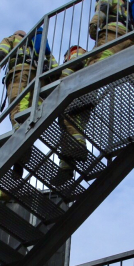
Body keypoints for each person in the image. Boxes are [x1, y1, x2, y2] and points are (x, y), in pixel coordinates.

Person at [0, 29, 59, 129]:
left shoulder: (12, 39)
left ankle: (19, 129)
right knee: (36, 105)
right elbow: (52, 62)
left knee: (19, 102)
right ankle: (35, 128)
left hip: (20, 72)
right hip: (39, 77)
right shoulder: (36, 43)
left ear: (16, 34)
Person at [56, 46, 90, 182]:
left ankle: (79, 147)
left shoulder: (76, 52)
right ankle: (65, 168)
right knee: (65, 133)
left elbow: (73, 66)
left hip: (77, 95)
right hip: (74, 96)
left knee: (72, 125)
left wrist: (62, 82)